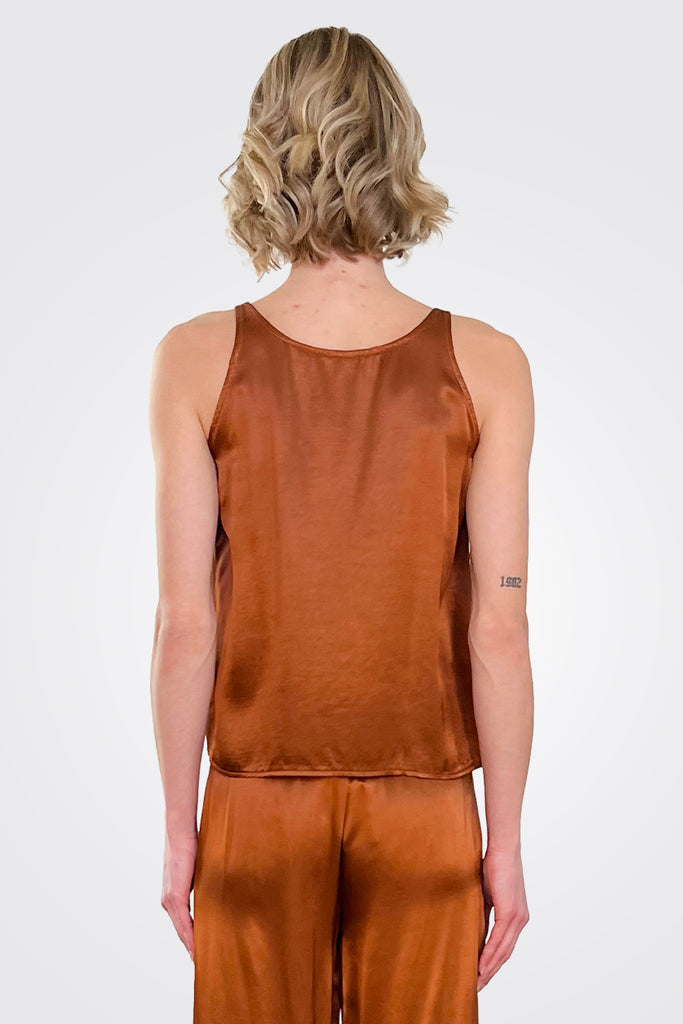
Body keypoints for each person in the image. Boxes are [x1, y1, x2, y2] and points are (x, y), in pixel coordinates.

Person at [149, 25, 534, 1024]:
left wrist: (181, 829)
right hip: (425, 805)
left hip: (255, 801)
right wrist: (501, 842)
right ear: (397, 149)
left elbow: (185, 624)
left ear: (265, 152)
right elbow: (497, 625)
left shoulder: (195, 357)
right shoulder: (486, 363)